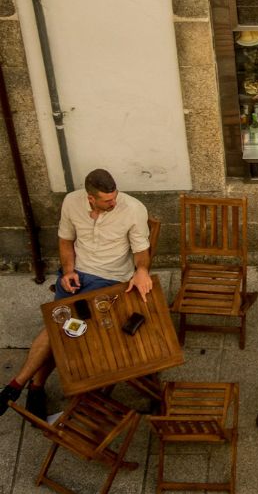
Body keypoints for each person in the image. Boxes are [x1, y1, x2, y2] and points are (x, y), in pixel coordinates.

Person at [0, 169, 152, 420]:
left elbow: (141, 251)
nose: (113, 203)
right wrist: (69, 271)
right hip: (77, 276)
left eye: (114, 197)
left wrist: (142, 270)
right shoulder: (72, 202)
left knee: (56, 328)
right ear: (91, 198)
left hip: (109, 280)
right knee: (60, 329)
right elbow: (65, 242)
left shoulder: (133, 209)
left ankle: (20, 385)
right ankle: (32, 387)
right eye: (107, 200)